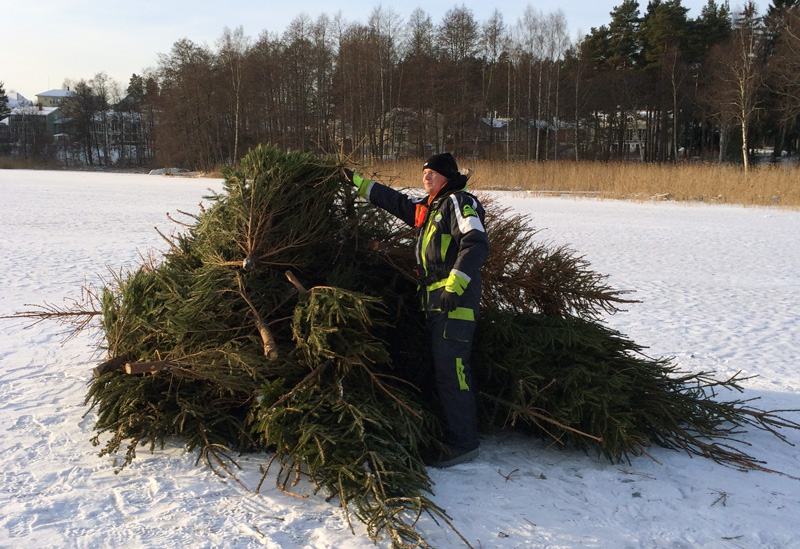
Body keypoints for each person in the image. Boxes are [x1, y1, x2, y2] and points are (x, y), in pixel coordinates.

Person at [343, 152, 489, 467]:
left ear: (447, 177)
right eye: (424, 173)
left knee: (453, 371)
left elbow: (476, 242)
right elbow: (396, 203)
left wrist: (456, 284)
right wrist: (354, 182)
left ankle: (464, 442)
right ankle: (451, 432)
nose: (425, 177)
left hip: (455, 303)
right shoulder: (431, 208)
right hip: (434, 303)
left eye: (432, 173)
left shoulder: (458, 203)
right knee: (441, 369)